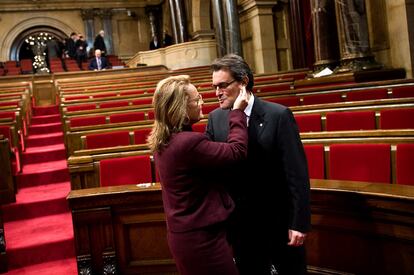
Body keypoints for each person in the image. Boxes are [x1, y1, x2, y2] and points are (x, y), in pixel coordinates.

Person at [206, 54, 311, 275]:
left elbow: (296, 175)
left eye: (223, 86)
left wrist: (299, 222)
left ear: (243, 82)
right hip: (240, 228)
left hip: (278, 224)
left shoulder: (278, 115)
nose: (217, 93)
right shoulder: (215, 118)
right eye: (215, 87)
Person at [147, 75, 249, 275]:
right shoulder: (187, 143)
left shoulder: (166, 140)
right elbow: (237, 151)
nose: (202, 102)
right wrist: (237, 112)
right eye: (196, 99)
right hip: (201, 241)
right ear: (181, 108)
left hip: (185, 237)